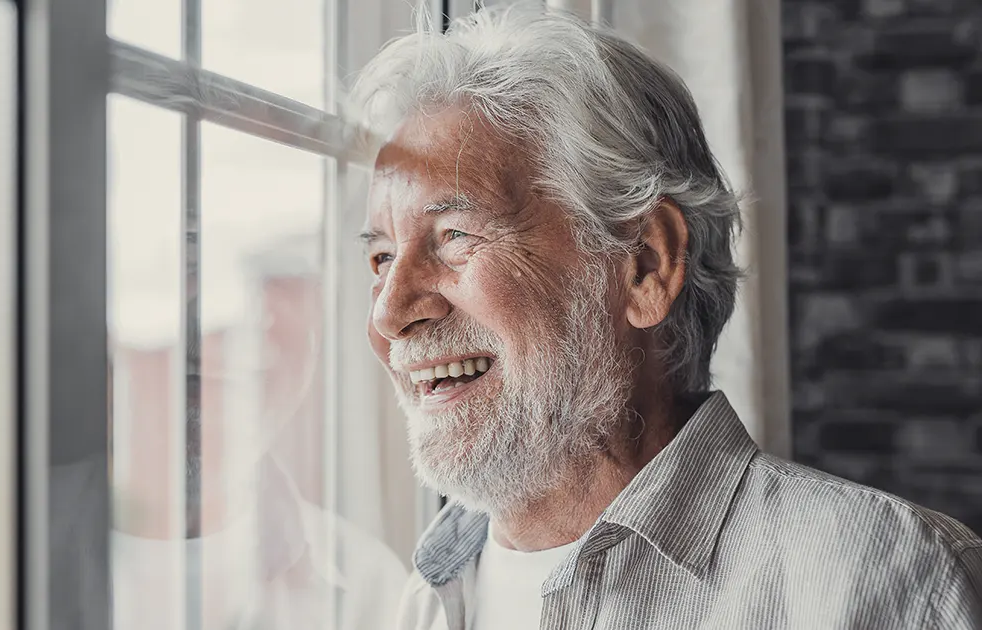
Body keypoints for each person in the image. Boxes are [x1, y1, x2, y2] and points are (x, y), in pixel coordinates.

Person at [349, 6, 982, 629]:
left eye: (454, 234)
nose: (390, 312)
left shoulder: (884, 580)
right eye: (381, 255)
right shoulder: (427, 599)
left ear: (645, 266)